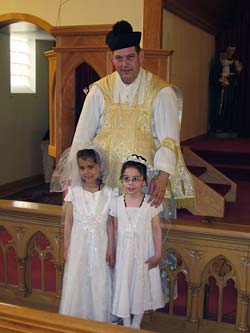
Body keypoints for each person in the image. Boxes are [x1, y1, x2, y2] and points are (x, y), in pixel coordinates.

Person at [67, 20, 194, 211]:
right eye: (119, 58)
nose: (124, 64)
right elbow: (82, 138)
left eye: (130, 57)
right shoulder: (99, 91)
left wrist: (162, 177)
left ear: (141, 56)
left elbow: (169, 140)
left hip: (144, 182)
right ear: (111, 58)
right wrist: (75, 178)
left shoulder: (161, 92)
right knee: (107, 235)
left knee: (140, 236)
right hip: (105, 181)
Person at [59, 145, 116, 322]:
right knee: (78, 278)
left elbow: (110, 224)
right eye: (82, 168)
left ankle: (98, 318)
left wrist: (111, 248)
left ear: (100, 166)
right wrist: (66, 246)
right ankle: (75, 317)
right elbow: (68, 222)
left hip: (101, 244)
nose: (86, 172)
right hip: (78, 245)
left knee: (99, 279)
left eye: (90, 167)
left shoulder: (109, 193)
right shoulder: (73, 192)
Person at [110, 154, 165, 329]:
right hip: (124, 252)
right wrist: (111, 249)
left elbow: (157, 229)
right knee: (125, 283)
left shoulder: (151, 203)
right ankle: (126, 321)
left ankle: (136, 322)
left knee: (140, 284)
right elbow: (113, 228)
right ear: (121, 180)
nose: (130, 183)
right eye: (126, 179)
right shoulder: (116, 203)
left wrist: (158, 253)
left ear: (144, 181)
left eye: (136, 179)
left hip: (143, 252)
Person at [209, 44, 242, 135]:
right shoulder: (219, 61)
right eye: (229, 50)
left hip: (230, 86)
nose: (231, 53)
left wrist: (237, 72)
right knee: (221, 106)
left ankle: (228, 126)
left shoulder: (234, 62)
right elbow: (215, 74)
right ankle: (219, 126)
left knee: (229, 106)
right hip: (221, 86)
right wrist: (220, 79)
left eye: (233, 51)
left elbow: (236, 75)